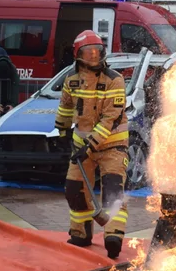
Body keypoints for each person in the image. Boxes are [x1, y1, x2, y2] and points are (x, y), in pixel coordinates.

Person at [54, 30, 130, 259]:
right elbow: (66, 107)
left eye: (98, 52)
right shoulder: (71, 80)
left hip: (112, 145)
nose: (94, 57)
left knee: (113, 189)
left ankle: (113, 236)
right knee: (74, 190)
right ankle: (81, 232)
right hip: (81, 146)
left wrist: (90, 146)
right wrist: (62, 131)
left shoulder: (114, 80)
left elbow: (111, 118)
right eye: (89, 53)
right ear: (79, 55)